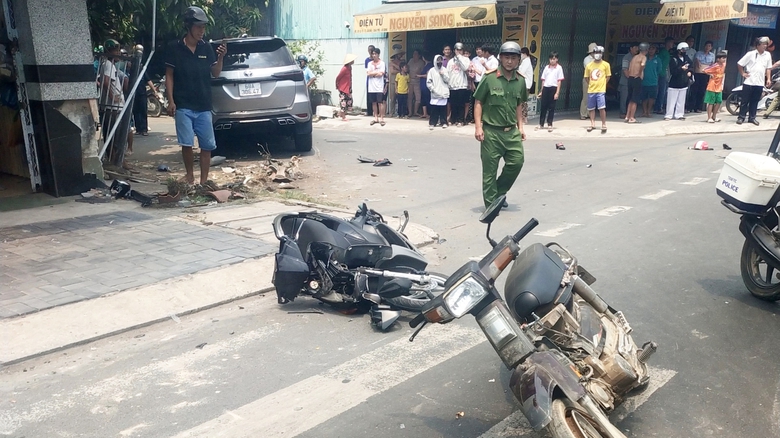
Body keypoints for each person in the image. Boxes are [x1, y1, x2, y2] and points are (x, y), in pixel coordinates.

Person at [165, 6, 226, 185]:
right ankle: (190, 175)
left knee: (207, 145)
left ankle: (204, 180)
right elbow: (169, 75)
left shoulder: (206, 48)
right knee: (187, 144)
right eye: (198, 26)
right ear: (189, 26)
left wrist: (221, 58)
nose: (202, 31)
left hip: (204, 105)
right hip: (183, 104)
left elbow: (215, 72)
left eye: (204, 27)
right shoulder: (174, 48)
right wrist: (171, 101)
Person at [473, 41, 528, 209]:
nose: (509, 61)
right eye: (506, 57)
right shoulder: (489, 78)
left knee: (517, 162)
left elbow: (519, 105)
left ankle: (498, 193)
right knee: (489, 171)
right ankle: (491, 205)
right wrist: (478, 127)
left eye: (513, 58)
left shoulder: (520, 81)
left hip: (511, 131)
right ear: (500, 59)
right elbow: (478, 102)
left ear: (518, 60)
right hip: (491, 132)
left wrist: (521, 127)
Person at [737, 37, 773, 126]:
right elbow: (740, 63)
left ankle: (752, 118)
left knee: (755, 101)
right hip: (749, 81)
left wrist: (768, 79)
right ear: (758, 45)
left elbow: (768, 68)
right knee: (745, 101)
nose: (765, 46)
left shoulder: (767, 55)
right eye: (763, 44)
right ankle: (741, 117)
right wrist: (743, 73)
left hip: (759, 82)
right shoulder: (751, 54)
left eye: (766, 44)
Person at [584, 45, 610, 133]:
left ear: (602, 54)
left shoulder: (606, 65)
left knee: (602, 108)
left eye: (599, 52)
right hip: (591, 90)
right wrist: (591, 84)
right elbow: (587, 78)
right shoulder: (589, 65)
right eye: (596, 52)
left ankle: (603, 124)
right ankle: (592, 123)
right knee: (591, 108)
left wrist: (603, 84)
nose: (597, 54)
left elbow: (608, 76)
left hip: (601, 90)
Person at [537, 51, 564, 132]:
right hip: (546, 88)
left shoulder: (559, 68)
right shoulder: (546, 67)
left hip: (553, 88)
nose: (552, 60)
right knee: (543, 107)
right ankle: (541, 124)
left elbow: (559, 81)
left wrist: (557, 93)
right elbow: (543, 80)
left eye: (554, 59)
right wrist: (541, 91)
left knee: (551, 107)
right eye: (551, 59)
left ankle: (550, 124)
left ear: (557, 59)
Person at [665, 42, 692, 121]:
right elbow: (673, 71)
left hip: (684, 82)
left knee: (681, 100)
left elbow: (691, 65)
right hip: (674, 83)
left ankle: (679, 114)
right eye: (683, 50)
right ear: (679, 50)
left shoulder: (686, 58)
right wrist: (681, 68)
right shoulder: (673, 59)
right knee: (671, 100)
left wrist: (690, 71)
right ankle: (669, 115)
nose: (684, 52)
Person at [448, 42, 470, 126]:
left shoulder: (466, 59)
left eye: (460, 50)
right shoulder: (451, 61)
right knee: (453, 104)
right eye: (457, 50)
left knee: (461, 104)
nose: (459, 51)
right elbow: (449, 72)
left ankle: (461, 120)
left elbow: (465, 68)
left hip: (462, 85)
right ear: (454, 50)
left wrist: (460, 57)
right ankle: (453, 119)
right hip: (453, 85)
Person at [625, 43, 647, 124]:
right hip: (636, 78)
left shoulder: (634, 57)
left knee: (631, 98)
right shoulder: (643, 57)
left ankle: (627, 116)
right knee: (635, 99)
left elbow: (630, 67)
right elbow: (642, 64)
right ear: (646, 50)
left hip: (630, 78)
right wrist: (639, 72)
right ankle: (631, 117)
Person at [426, 54, 449, 130]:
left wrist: (443, 75)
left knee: (443, 109)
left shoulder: (445, 70)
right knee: (434, 109)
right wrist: (432, 89)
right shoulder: (431, 71)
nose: (439, 62)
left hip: (443, 92)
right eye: (438, 60)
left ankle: (444, 122)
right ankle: (432, 123)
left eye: (441, 60)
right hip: (435, 93)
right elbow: (429, 82)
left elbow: (448, 80)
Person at [703, 51, 727, 123]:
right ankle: (709, 117)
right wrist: (710, 74)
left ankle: (714, 116)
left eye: (725, 58)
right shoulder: (715, 65)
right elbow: (704, 70)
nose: (724, 60)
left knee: (719, 101)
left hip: (719, 86)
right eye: (722, 58)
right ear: (718, 59)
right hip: (712, 86)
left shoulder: (724, 65)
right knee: (711, 102)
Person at [691, 41, 715, 113]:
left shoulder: (712, 55)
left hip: (706, 75)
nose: (708, 47)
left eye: (709, 46)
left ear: (711, 47)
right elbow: (697, 63)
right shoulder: (698, 53)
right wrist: (704, 67)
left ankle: (698, 107)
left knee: (701, 91)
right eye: (707, 46)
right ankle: (690, 107)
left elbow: (712, 65)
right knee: (694, 90)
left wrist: (706, 69)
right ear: (704, 46)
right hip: (697, 74)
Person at [366, 48, 387, 126]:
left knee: (380, 103)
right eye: (373, 54)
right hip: (371, 87)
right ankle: (375, 118)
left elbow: (381, 74)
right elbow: (368, 73)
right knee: (373, 103)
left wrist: (373, 73)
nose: (374, 55)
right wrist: (376, 73)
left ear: (378, 54)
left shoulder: (382, 63)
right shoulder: (369, 64)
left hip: (379, 86)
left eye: (375, 54)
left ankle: (381, 117)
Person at [641, 44, 662, 118]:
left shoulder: (657, 59)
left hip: (653, 81)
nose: (651, 51)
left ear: (655, 50)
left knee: (652, 97)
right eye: (649, 49)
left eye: (653, 49)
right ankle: (644, 112)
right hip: (644, 81)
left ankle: (648, 112)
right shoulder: (644, 58)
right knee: (644, 97)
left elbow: (659, 70)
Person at [654, 37, 674, 114]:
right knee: (661, 91)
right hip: (662, 73)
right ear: (668, 43)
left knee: (664, 91)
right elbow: (659, 62)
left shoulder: (667, 52)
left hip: (665, 73)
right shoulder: (663, 52)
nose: (672, 44)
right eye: (671, 43)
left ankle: (659, 106)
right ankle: (658, 107)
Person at [619, 42, 638, 118]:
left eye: (637, 48)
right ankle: (622, 113)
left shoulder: (636, 57)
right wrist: (631, 78)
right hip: (625, 82)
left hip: (633, 81)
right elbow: (625, 70)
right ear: (631, 48)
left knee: (631, 98)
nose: (637, 49)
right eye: (635, 48)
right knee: (624, 98)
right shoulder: (626, 57)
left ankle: (629, 113)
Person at [336, 53, 356, 121]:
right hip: (343, 88)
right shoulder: (344, 68)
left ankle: (342, 114)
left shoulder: (350, 68)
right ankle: (343, 116)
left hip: (348, 87)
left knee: (349, 101)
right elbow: (338, 77)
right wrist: (337, 85)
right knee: (343, 102)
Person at [407, 50, 425, 118]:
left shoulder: (421, 62)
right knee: (410, 97)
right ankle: (410, 112)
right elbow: (407, 69)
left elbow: (423, 72)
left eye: (416, 54)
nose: (414, 55)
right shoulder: (411, 61)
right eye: (413, 54)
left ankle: (415, 111)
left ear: (419, 55)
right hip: (410, 81)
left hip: (417, 81)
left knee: (418, 98)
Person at [517, 47, 534, 123]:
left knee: (523, 101)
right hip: (523, 84)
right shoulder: (524, 61)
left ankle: (524, 118)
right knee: (521, 101)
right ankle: (522, 118)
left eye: (521, 54)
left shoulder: (527, 61)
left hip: (526, 84)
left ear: (524, 54)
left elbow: (521, 72)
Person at [581, 43, 597, 120]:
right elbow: (589, 69)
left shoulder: (597, 59)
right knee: (585, 97)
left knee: (592, 98)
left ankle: (589, 113)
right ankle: (583, 114)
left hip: (595, 80)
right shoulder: (587, 59)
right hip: (587, 79)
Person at [388, 49, 404, 117]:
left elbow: (403, 70)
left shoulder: (402, 62)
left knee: (401, 98)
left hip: (401, 82)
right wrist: (399, 69)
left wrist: (395, 66)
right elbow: (392, 71)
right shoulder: (391, 62)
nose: (400, 55)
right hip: (392, 81)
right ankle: (392, 112)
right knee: (393, 98)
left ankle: (400, 112)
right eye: (399, 54)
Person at [418, 53, 433, 118]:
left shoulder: (429, 65)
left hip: (426, 85)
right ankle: (425, 113)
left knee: (427, 98)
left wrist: (419, 76)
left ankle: (429, 113)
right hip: (423, 85)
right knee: (423, 99)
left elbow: (428, 75)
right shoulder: (425, 65)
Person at [365, 45, 375, 117]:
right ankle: (369, 111)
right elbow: (367, 71)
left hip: (376, 80)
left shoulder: (376, 60)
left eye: (371, 50)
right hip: (369, 80)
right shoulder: (367, 60)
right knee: (369, 96)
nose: (370, 52)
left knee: (375, 96)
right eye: (369, 50)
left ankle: (376, 111)